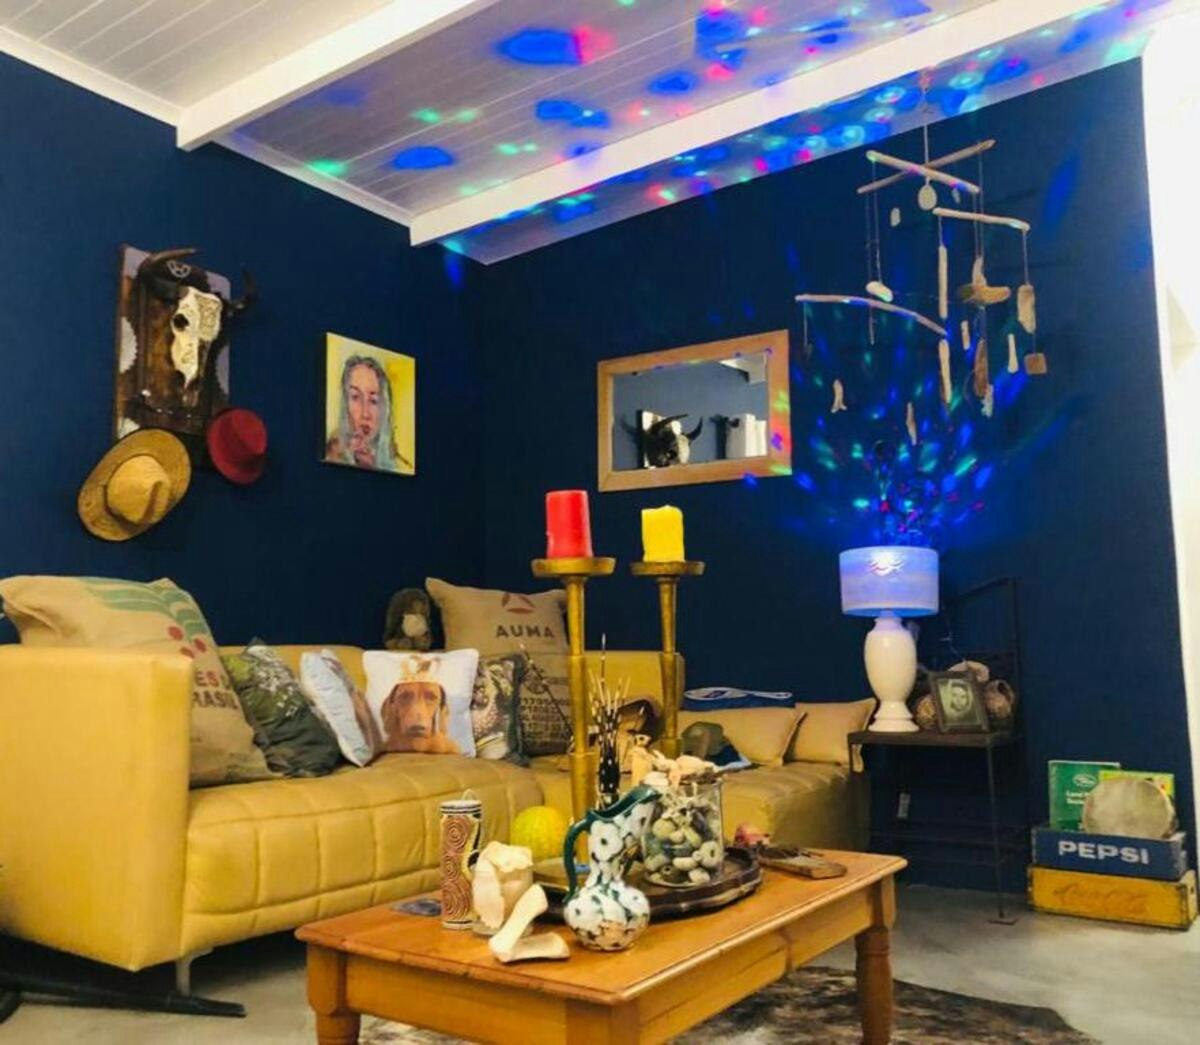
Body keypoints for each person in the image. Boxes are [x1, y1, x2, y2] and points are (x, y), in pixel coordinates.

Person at [325, 354, 411, 471]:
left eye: (373, 401)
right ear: (345, 403)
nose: (365, 414)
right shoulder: (331, 455)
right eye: (355, 397)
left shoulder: (400, 466)